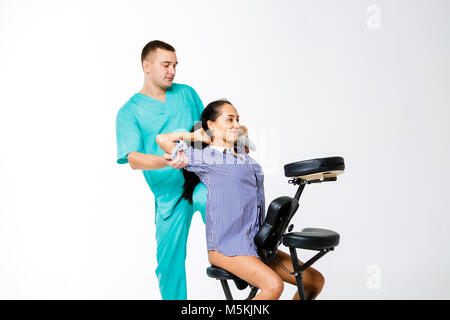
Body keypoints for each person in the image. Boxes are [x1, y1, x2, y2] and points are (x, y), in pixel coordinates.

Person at [156, 99, 326, 300]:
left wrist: (237, 133)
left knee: (314, 281)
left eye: (237, 119)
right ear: (211, 125)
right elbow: (162, 139)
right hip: (227, 247)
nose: (236, 124)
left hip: (257, 243)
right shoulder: (206, 157)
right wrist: (195, 135)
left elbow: (241, 130)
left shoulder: (243, 155)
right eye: (229, 120)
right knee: (273, 286)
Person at [115, 40, 208, 300]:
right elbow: (133, 158)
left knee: (230, 227)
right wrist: (168, 160)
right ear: (147, 66)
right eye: (166, 64)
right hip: (169, 196)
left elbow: (208, 132)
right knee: (168, 265)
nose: (172, 71)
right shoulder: (129, 111)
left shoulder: (187, 93)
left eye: (175, 65)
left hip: (202, 180)